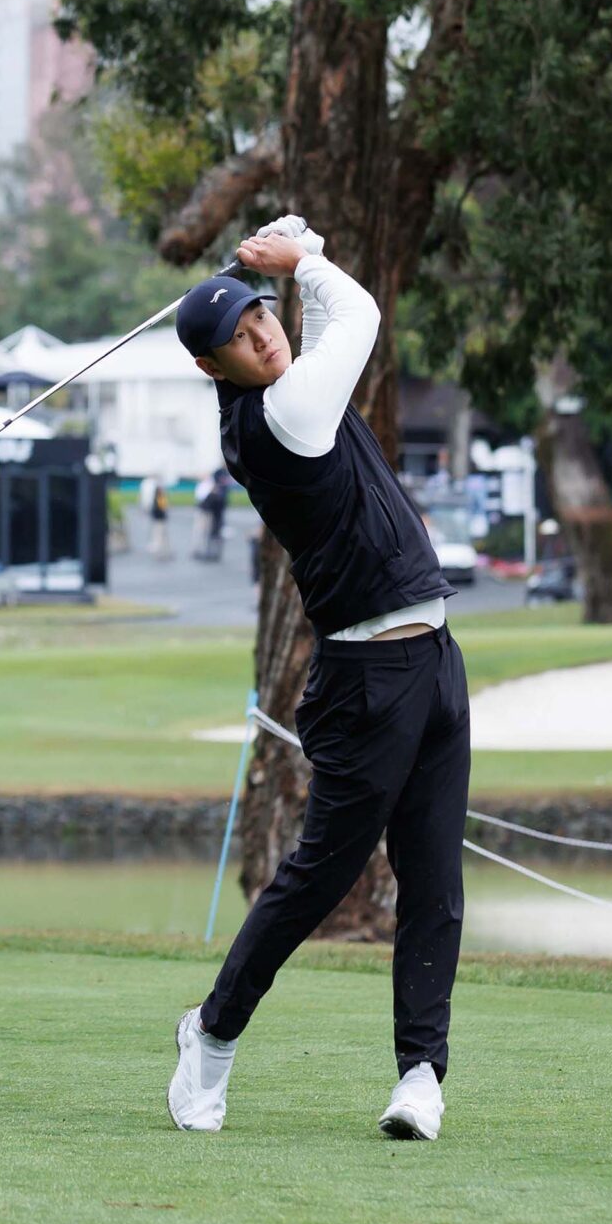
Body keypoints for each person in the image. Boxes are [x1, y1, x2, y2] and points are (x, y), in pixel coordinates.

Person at [165, 219, 466, 1142]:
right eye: (243, 339)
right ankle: (210, 1035)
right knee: (317, 878)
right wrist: (306, 259)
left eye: (265, 315)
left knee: (434, 878)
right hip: (364, 675)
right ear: (218, 370)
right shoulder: (280, 414)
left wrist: (285, 256)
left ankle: (420, 1076)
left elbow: (321, 305)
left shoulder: (284, 385)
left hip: (433, 657)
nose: (265, 334)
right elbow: (361, 312)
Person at [196, 469, 231, 562]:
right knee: (212, 536)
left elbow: (208, 505)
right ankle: (211, 553)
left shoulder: (217, 495)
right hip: (214, 517)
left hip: (216, 518)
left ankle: (214, 554)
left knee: (214, 536)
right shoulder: (215, 495)